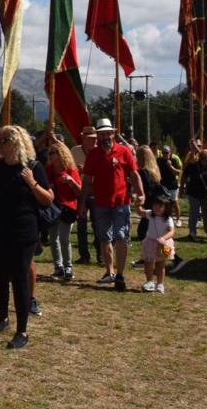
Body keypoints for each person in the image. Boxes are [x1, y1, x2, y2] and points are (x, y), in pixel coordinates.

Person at [0, 125, 53, 350]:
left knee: (19, 279)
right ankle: (2, 318)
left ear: (16, 142)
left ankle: (22, 331)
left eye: (4, 139)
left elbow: (48, 199)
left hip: (23, 232)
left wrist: (33, 183)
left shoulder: (32, 167)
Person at [81, 118, 143, 292]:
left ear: (113, 133)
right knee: (104, 238)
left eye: (108, 133)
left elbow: (134, 174)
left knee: (121, 236)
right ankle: (110, 271)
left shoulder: (124, 151)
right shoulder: (93, 155)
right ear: (98, 136)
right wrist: (82, 202)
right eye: (102, 134)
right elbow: (87, 181)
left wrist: (141, 193)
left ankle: (120, 274)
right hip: (100, 203)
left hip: (121, 202)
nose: (105, 136)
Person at [45, 139, 81, 282]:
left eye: (53, 153)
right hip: (53, 208)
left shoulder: (71, 169)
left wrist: (71, 182)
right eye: (50, 153)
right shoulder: (48, 170)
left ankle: (68, 267)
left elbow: (79, 191)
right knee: (53, 238)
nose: (51, 155)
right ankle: (58, 267)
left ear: (61, 154)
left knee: (64, 238)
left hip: (67, 208)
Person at [70, 126, 98, 264]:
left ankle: (100, 254)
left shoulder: (99, 151)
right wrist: (77, 170)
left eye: (95, 139)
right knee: (81, 225)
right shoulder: (74, 151)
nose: (94, 141)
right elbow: (69, 168)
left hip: (95, 191)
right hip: (80, 191)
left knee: (97, 224)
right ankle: (84, 255)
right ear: (84, 139)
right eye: (91, 139)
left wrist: (87, 170)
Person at [183, 148, 207, 241]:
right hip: (193, 193)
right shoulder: (193, 166)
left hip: (206, 195)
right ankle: (192, 233)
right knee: (193, 214)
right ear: (202, 159)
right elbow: (184, 175)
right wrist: (181, 188)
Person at [141, 192, 175, 294]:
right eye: (155, 205)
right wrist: (138, 203)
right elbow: (140, 212)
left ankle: (160, 284)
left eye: (160, 206)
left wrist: (164, 239)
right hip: (150, 242)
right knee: (148, 263)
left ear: (166, 208)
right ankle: (149, 282)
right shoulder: (150, 214)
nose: (156, 208)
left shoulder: (168, 219)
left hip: (165, 244)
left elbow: (172, 231)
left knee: (161, 264)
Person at [157, 144, 183, 225]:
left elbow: (178, 172)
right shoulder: (159, 160)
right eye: (163, 152)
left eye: (166, 153)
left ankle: (178, 219)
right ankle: (166, 218)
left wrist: (171, 166)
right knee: (164, 202)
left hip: (172, 185)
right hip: (163, 185)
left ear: (170, 153)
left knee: (174, 202)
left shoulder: (174, 160)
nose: (165, 154)